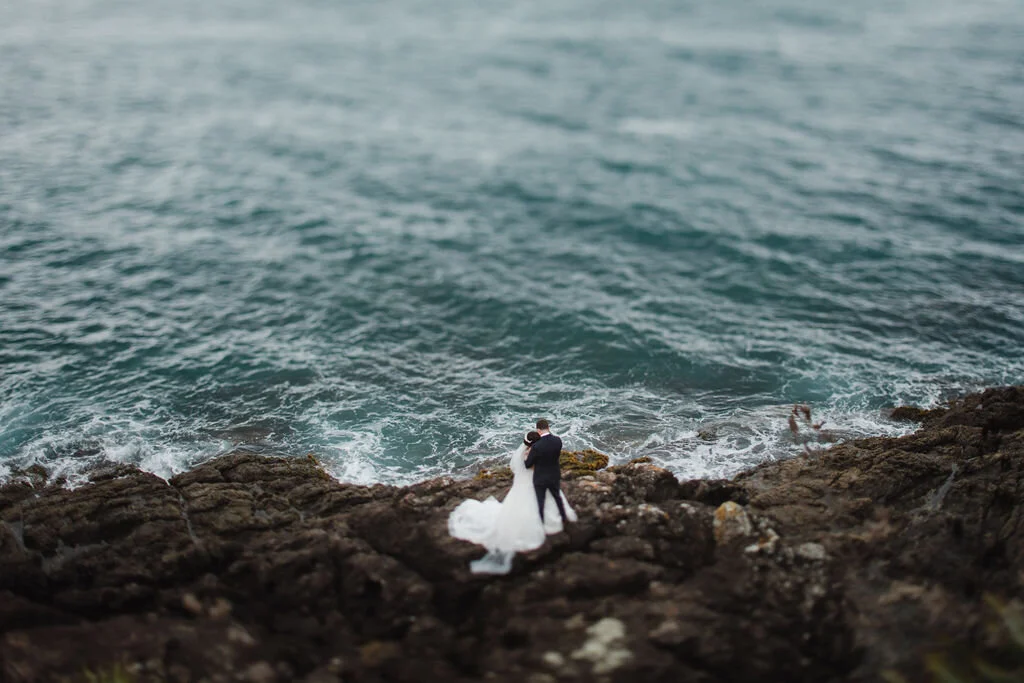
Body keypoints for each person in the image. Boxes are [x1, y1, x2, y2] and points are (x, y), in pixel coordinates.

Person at [448, 424, 576, 574]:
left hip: (525, 485)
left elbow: (518, 468)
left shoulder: (526, 454)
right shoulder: (540, 451)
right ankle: (551, 520)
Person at [524, 418, 570, 525]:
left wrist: (526, 457)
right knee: (557, 497)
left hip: (540, 478)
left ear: (538, 430)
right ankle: (563, 518)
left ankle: (541, 523)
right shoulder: (558, 441)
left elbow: (528, 465)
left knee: (541, 502)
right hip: (554, 475)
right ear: (548, 428)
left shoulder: (536, 446)